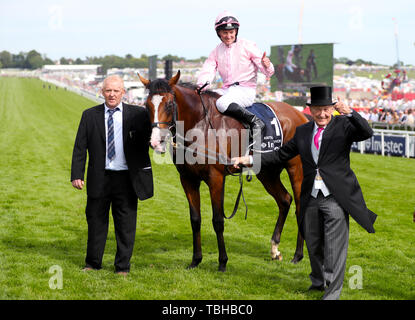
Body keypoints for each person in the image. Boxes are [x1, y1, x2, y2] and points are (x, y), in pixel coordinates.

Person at [232, 86, 377, 300]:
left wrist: (351, 112)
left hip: (336, 197)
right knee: (313, 242)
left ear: (332, 109)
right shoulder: (303, 131)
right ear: (311, 110)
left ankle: (332, 293)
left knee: (334, 249)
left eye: (326, 109)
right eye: (318, 109)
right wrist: (250, 160)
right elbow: (280, 155)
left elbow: (367, 132)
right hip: (310, 196)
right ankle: (318, 281)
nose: (322, 114)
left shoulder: (344, 126)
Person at [71, 75, 153, 276]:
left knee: (125, 226)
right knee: (96, 223)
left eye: (116, 91)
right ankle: (92, 264)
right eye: (108, 90)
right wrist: (77, 174)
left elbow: (153, 138)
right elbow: (80, 147)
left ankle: (122, 267)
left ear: (123, 93)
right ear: (102, 92)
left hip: (127, 179)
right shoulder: (89, 115)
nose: (112, 94)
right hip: (99, 178)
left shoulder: (138, 115)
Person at [197, 11, 275, 135]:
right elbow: (208, 69)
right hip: (226, 90)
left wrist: (267, 65)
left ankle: (256, 122)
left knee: (222, 103)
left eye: (231, 32)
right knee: (205, 101)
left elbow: (267, 70)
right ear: (219, 33)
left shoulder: (247, 45)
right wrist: (201, 86)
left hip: (245, 90)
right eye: (225, 32)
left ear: (236, 32)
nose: (228, 36)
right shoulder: (216, 51)